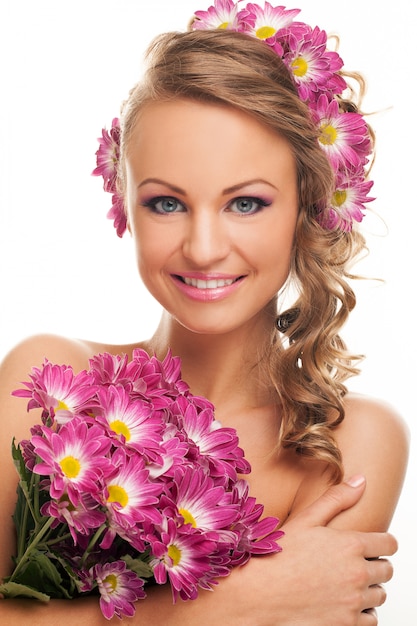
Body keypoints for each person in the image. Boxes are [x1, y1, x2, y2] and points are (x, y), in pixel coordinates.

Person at [0, 1, 409, 624]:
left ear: (309, 205)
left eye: (246, 203)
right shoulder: (51, 379)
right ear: (124, 205)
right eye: (167, 203)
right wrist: (239, 602)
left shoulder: (347, 444)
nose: (204, 247)